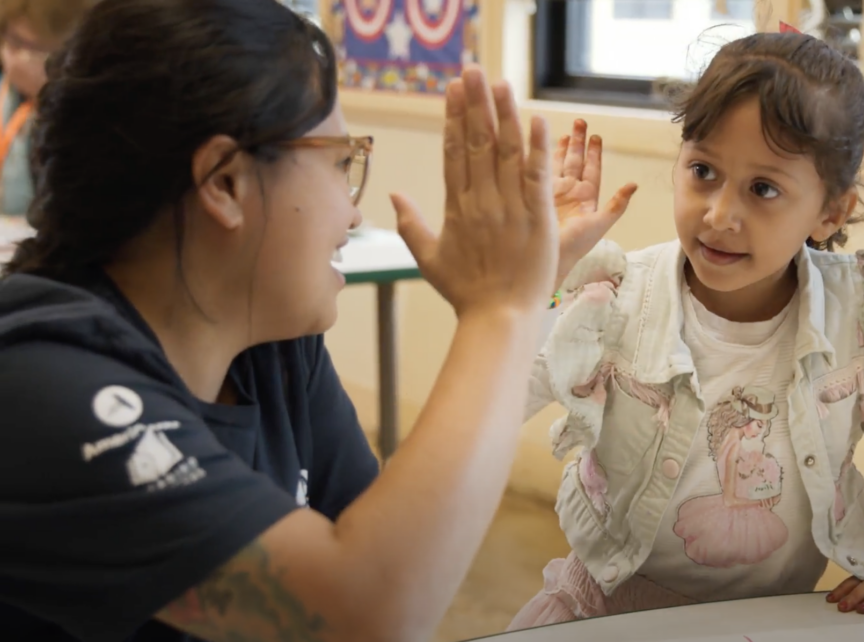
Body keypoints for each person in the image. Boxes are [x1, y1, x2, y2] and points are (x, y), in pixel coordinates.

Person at [0, 0, 637, 640]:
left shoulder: (273, 349)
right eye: (339, 162)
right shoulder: (39, 380)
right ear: (223, 183)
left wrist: (522, 298)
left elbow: (405, 561)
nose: (351, 214)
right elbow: (361, 614)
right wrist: (500, 308)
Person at [508, 30, 864, 630]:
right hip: (604, 611)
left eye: (763, 188)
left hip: (772, 621)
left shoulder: (858, 315)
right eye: (703, 171)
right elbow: (495, 400)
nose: (719, 215)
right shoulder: (617, 296)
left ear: (829, 212)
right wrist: (539, 278)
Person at [0, 0, 99, 219]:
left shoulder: (89, 119)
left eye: (26, 46)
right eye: (10, 41)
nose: (12, 57)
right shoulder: (7, 93)